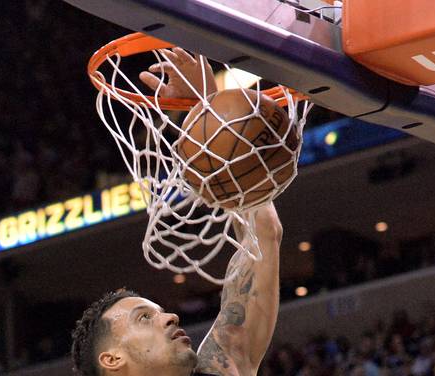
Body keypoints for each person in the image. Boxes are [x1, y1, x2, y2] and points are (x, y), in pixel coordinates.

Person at [71, 48, 282, 376]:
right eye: (145, 318)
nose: (170, 317)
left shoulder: (220, 368)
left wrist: (212, 112)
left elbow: (263, 235)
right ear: (111, 359)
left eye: (156, 313)